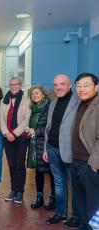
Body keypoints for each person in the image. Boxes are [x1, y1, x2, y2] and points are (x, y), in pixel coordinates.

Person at [43, 74, 80, 227]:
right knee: (59, 184)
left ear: (69, 85)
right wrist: (46, 148)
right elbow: (48, 127)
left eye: (61, 84)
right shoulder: (52, 103)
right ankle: (61, 213)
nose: (58, 87)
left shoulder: (78, 102)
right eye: (55, 84)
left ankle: (77, 216)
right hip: (52, 149)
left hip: (70, 150)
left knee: (75, 185)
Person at [71, 73, 99, 230]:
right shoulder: (81, 104)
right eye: (79, 85)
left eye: (86, 85)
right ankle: (83, 224)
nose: (82, 89)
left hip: (90, 163)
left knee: (92, 201)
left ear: (96, 87)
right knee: (80, 199)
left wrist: (94, 165)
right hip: (76, 161)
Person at [0, 77, 31, 204]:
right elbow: (1, 118)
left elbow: (26, 120)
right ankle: (13, 190)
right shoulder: (4, 100)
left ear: (20, 85)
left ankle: (20, 192)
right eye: (11, 84)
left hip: (21, 137)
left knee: (19, 164)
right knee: (11, 164)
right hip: (7, 137)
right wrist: (7, 133)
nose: (13, 87)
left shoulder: (27, 100)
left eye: (16, 84)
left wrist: (14, 133)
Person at [27, 85, 55, 210]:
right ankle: (40, 199)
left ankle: (53, 200)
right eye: (32, 94)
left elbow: (51, 128)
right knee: (38, 172)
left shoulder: (49, 107)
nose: (34, 95)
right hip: (34, 145)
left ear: (43, 94)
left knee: (51, 174)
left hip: (45, 145)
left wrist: (35, 131)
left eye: (37, 93)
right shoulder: (34, 108)